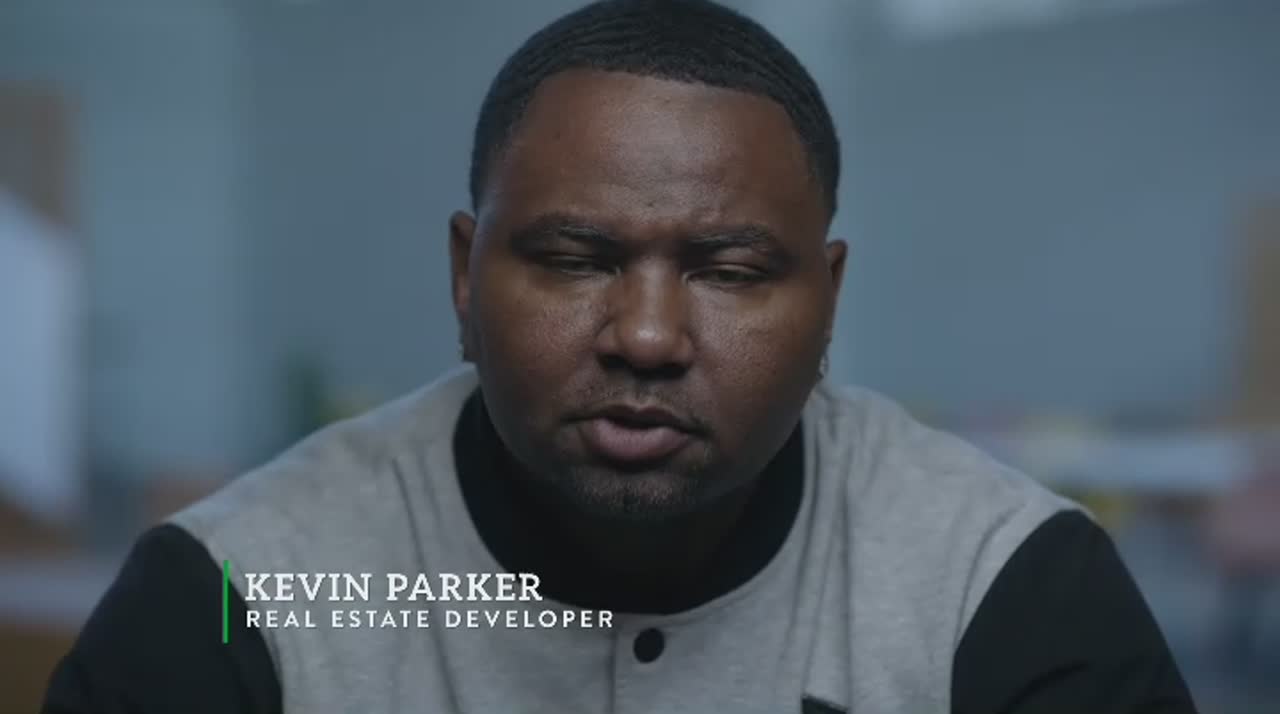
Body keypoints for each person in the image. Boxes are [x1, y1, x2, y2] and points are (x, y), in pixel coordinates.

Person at [42, 1, 1199, 712]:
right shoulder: (243, 591)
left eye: (729, 270)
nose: (646, 337)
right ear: (464, 277)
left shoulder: (1001, 588)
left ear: (827, 300)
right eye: (573, 258)